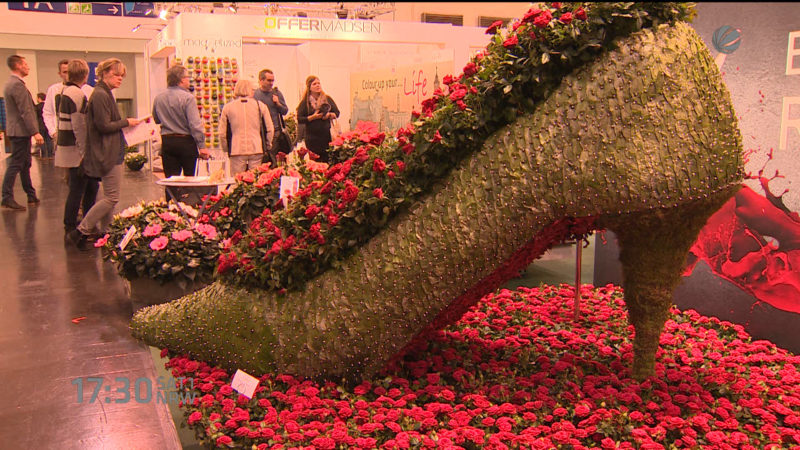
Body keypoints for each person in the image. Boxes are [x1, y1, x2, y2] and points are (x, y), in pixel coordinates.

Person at [67, 58, 141, 250]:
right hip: (107, 153)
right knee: (111, 197)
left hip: (110, 151)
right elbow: (103, 125)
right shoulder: (100, 95)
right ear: (105, 73)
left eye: (121, 76)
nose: (120, 79)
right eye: (117, 75)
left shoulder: (103, 93)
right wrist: (126, 122)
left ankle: (108, 232)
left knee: (110, 196)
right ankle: (81, 231)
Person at [55, 59, 99, 235]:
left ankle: (81, 222)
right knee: (79, 189)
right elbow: (79, 126)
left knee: (84, 187)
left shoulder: (64, 92)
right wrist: (84, 153)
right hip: (75, 151)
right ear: (86, 75)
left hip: (67, 149)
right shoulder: (77, 95)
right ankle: (72, 225)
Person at [152, 64, 209, 179]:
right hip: (186, 142)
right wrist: (201, 146)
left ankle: (171, 197)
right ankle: (187, 197)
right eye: (187, 77)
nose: (189, 80)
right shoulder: (188, 98)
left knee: (170, 180)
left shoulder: (159, 98)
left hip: (168, 142)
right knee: (189, 179)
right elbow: (194, 125)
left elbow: (156, 119)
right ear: (181, 80)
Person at [1, 55, 43, 210]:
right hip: (20, 131)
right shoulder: (17, 85)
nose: (28, 67)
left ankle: (31, 194)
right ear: (18, 65)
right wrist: (35, 132)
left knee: (25, 163)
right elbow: (25, 111)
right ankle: (6, 197)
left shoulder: (12, 83)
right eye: (25, 64)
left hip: (18, 130)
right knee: (16, 163)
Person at [219, 79, 274, 174]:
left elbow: (222, 133)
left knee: (237, 181)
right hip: (256, 147)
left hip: (236, 149)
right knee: (255, 180)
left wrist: (226, 148)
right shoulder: (260, 106)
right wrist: (268, 144)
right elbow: (270, 129)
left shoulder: (228, 108)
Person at [43, 59, 94, 148]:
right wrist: (53, 132)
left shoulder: (89, 90)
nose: (68, 75)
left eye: (69, 72)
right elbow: (48, 112)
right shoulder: (54, 90)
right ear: (60, 74)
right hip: (61, 135)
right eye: (65, 72)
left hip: (82, 136)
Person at [296, 75, 339, 163]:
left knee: (327, 161)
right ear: (309, 88)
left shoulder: (327, 99)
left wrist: (329, 115)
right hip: (312, 138)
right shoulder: (305, 102)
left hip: (326, 136)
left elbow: (337, 113)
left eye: (319, 83)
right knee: (315, 162)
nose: (317, 85)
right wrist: (312, 117)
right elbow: (299, 119)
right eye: (314, 84)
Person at [253, 69, 290, 154]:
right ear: (261, 81)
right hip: (259, 132)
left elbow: (285, 111)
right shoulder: (255, 95)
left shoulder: (277, 93)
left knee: (273, 158)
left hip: (275, 131)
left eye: (272, 80)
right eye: (269, 80)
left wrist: (278, 103)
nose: (271, 83)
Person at [35, 92, 54, 158]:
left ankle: (43, 155)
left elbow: (35, 116)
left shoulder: (37, 107)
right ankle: (50, 155)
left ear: (39, 98)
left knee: (42, 140)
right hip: (48, 125)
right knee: (48, 139)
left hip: (40, 125)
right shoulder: (48, 106)